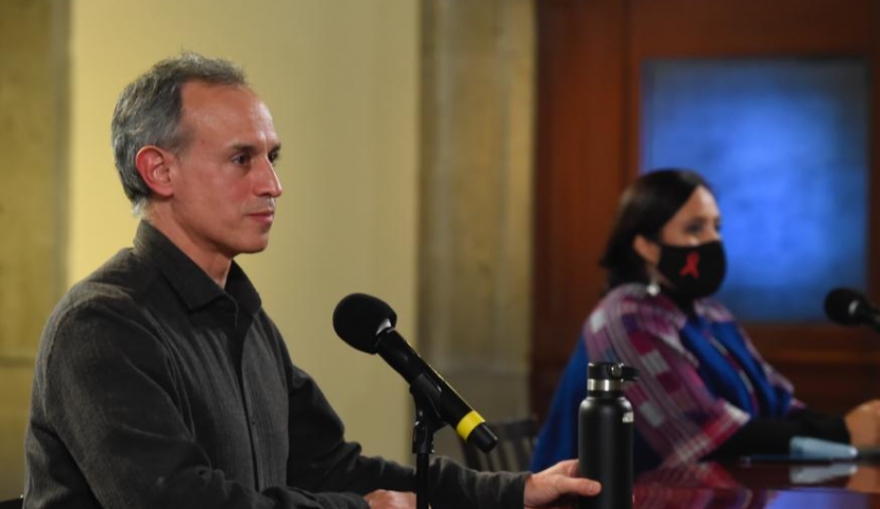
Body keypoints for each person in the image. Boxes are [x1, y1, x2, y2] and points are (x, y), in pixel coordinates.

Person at [23, 53, 600, 509]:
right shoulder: (101, 325)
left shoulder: (245, 317)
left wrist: (512, 492)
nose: (273, 184)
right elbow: (176, 500)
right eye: (242, 159)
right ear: (160, 170)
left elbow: (332, 466)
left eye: (273, 156)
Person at [530, 169, 880, 474]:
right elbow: (705, 433)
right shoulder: (624, 317)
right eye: (695, 228)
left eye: (717, 226)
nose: (712, 240)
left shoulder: (710, 313)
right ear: (647, 246)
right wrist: (842, 434)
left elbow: (778, 404)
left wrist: (855, 426)